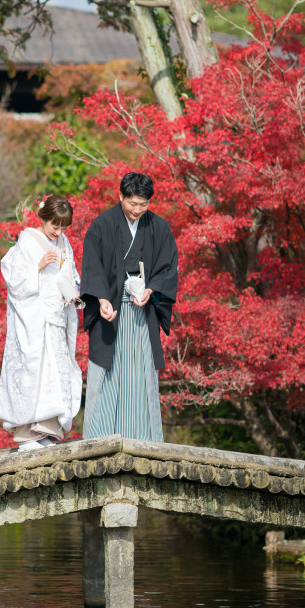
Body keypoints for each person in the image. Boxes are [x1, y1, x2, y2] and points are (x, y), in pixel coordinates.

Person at [79, 172, 178, 442]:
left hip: (142, 312)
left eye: (143, 204)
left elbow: (168, 267)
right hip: (110, 313)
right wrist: (101, 299)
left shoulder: (159, 227)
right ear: (120, 195)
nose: (137, 210)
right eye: (132, 203)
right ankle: (99, 440)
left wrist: (151, 289)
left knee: (141, 375)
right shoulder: (102, 224)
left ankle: (144, 441)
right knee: (107, 376)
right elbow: (92, 267)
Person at [0, 194, 83, 451]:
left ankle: (45, 432)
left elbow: (71, 275)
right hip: (33, 320)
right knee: (32, 372)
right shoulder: (27, 242)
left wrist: (72, 292)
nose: (58, 232)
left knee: (53, 375)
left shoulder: (65, 243)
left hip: (56, 318)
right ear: (44, 218)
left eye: (63, 227)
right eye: (55, 225)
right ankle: (26, 436)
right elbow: (13, 279)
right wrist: (38, 266)